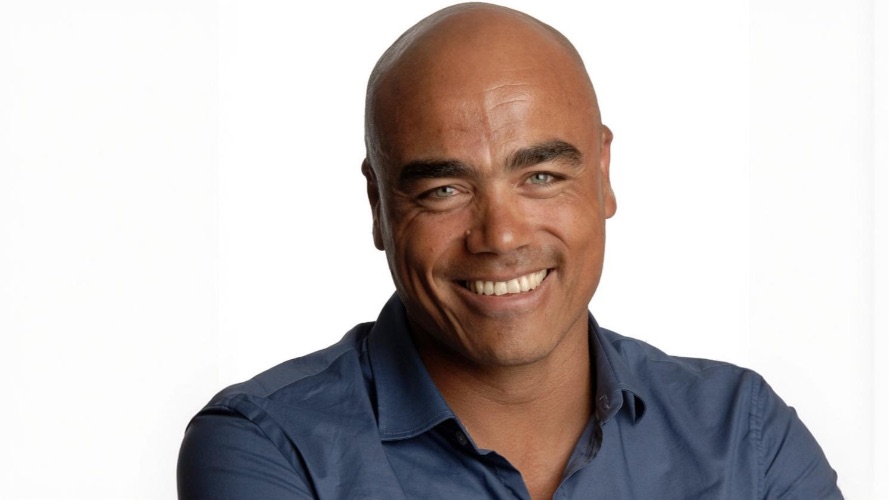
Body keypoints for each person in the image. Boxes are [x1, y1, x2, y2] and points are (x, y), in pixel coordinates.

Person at [177, 3, 842, 498]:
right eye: (443, 189)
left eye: (541, 177)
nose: (500, 236)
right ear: (379, 205)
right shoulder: (270, 447)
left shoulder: (744, 435)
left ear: (602, 174)